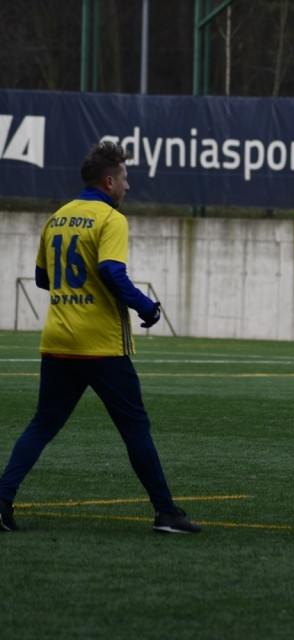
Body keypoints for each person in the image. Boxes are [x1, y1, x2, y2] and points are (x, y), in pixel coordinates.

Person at [0, 141, 200, 534]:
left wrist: (75, 292)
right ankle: (166, 513)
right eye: (125, 179)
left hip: (58, 340)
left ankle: (2, 501)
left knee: (42, 424)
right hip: (100, 345)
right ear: (109, 182)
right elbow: (111, 270)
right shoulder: (110, 218)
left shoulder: (57, 217)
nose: (128, 186)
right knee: (135, 427)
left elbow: (42, 277)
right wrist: (146, 307)